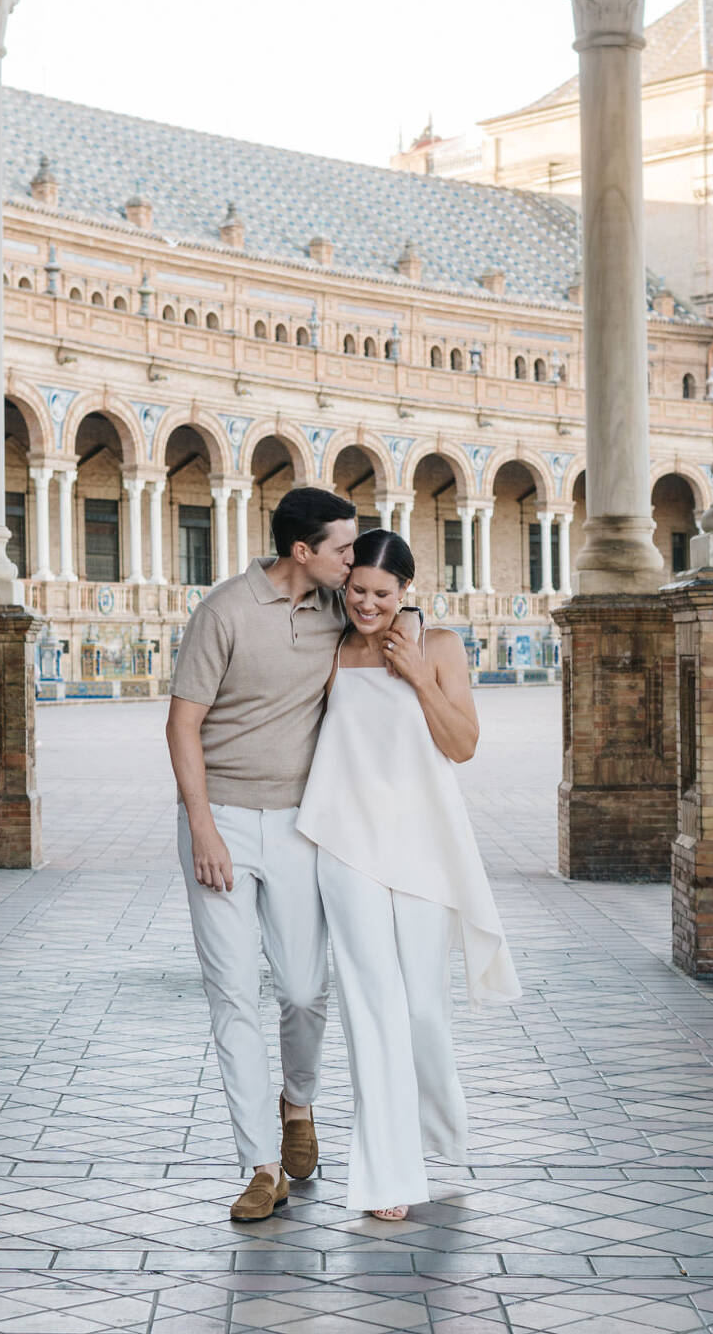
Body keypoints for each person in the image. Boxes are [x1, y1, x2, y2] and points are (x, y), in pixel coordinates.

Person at [297, 528, 520, 1220]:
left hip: (420, 845)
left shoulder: (441, 646)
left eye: (382, 594)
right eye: (357, 589)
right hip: (345, 844)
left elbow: (463, 745)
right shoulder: (331, 649)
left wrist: (420, 673)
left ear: (407, 592)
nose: (367, 604)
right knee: (372, 1008)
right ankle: (387, 1177)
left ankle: (438, 1140)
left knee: (423, 1007)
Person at [165, 486, 357, 1222]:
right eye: (342, 546)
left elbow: (394, 610)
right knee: (234, 993)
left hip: (302, 826)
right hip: (222, 826)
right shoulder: (225, 611)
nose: (352, 556)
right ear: (301, 551)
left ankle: (297, 1103)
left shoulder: (340, 609)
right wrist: (203, 828)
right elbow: (184, 726)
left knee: (307, 988)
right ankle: (260, 1165)